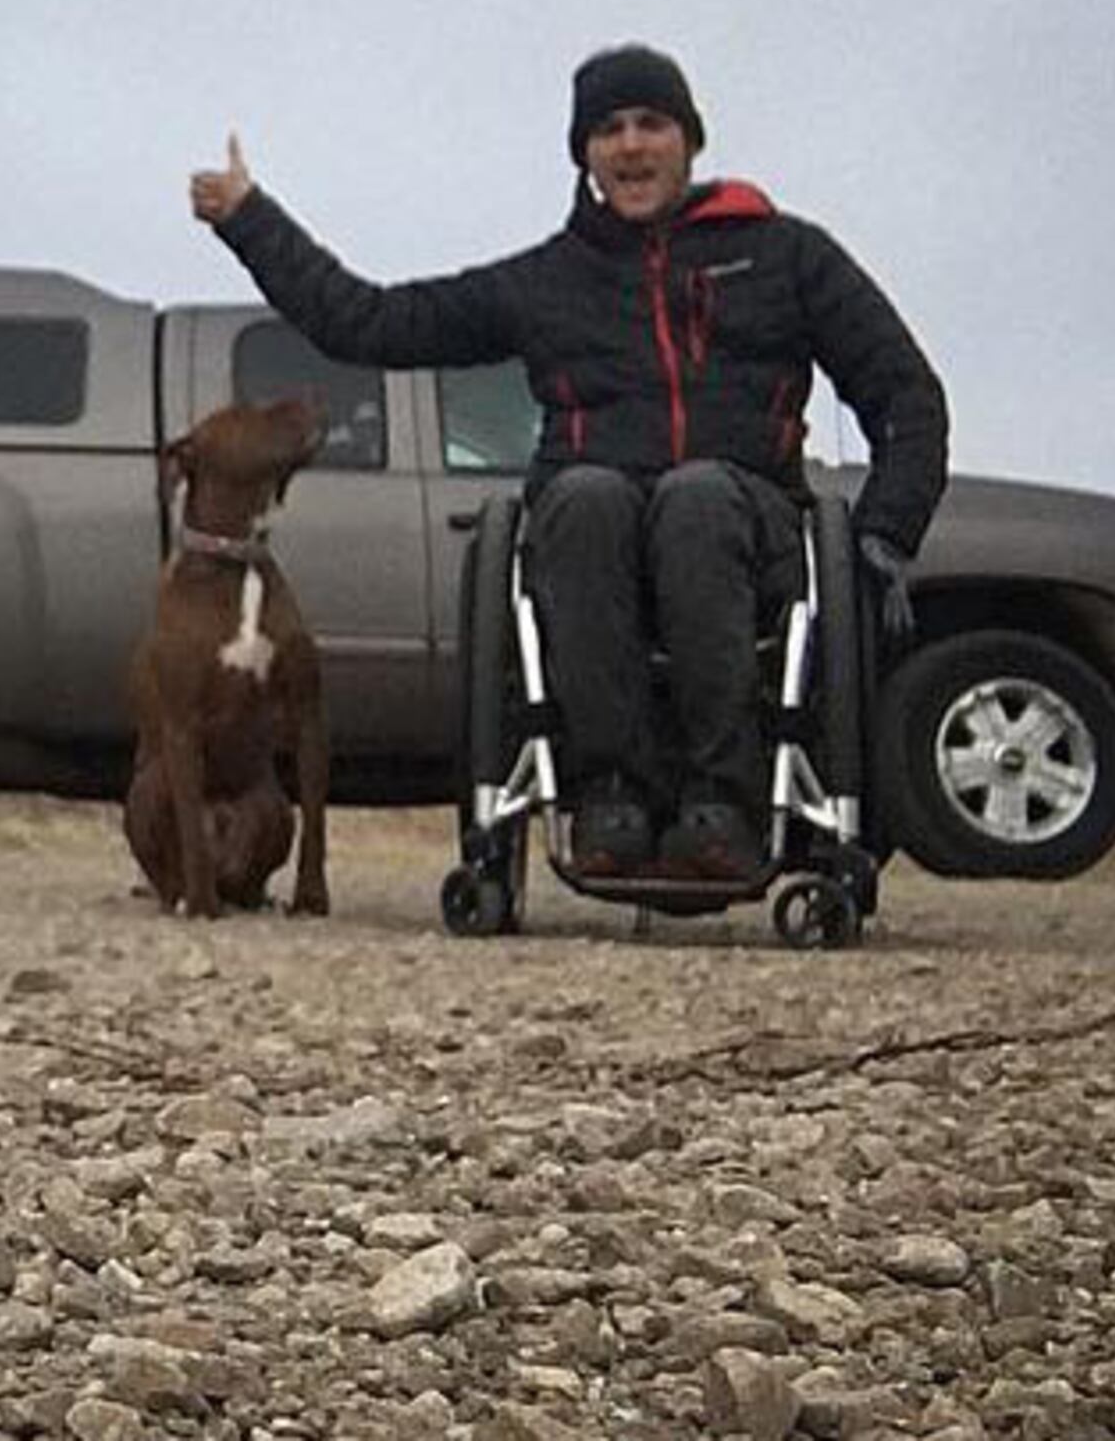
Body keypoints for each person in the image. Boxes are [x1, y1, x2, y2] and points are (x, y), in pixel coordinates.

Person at [187, 45, 947, 881]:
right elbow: (371, 324)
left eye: (650, 125)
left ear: (688, 141)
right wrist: (251, 220)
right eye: (608, 130)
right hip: (592, 533)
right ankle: (608, 793)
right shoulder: (549, 281)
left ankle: (723, 800)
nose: (630, 146)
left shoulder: (787, 256)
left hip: (749, 527)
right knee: (586, 498)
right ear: (586, 154)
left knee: (696, 498)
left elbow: (906, 396)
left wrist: (882, 539)